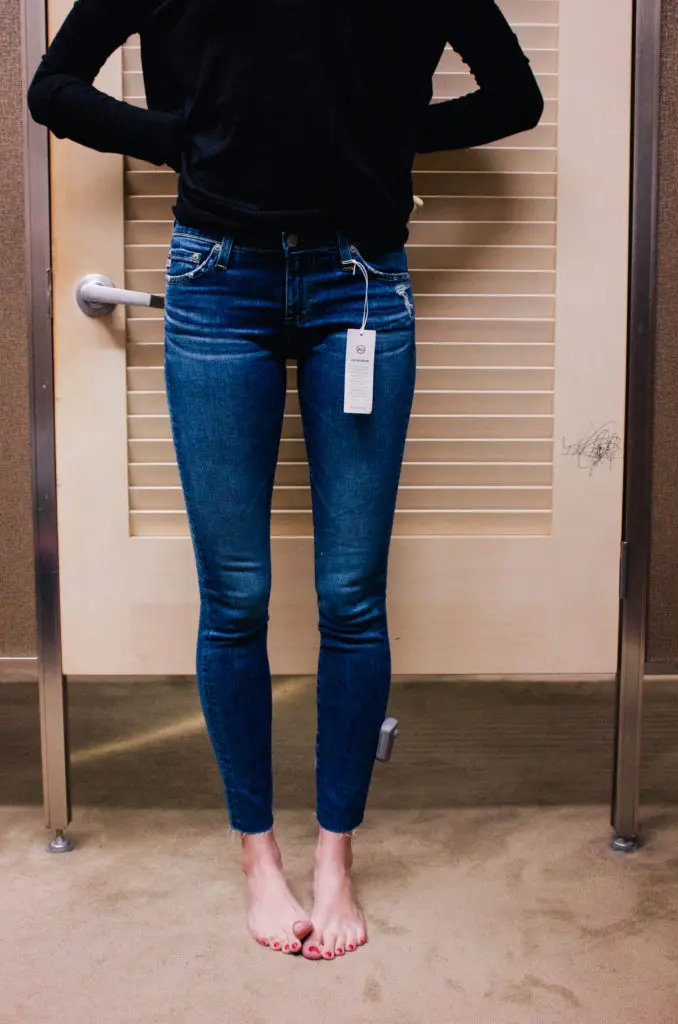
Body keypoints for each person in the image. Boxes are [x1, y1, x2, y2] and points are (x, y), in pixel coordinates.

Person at [28, 0, 543, 961]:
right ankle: (256, 852)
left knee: (351, 594)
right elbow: (52, 88)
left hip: (362, 284)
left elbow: (516, 98)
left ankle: (334, 856)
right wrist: (181, 139)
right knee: (235, 596)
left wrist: (385, 137)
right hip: (218, 280)